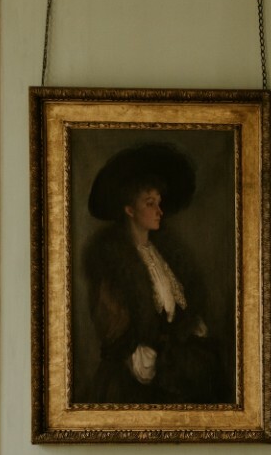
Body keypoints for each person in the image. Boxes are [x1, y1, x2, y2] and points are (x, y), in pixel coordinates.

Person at [82, 142, 231, 405]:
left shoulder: (166, 255)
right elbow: (113, 325)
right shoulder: (111, 260)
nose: (159, 211)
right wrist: (138, 352)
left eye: (159, 203)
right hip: (132, 373)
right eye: (150, 203)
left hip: (172, 367)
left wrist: (185, 333)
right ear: (129, 209)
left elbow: (181, 315)